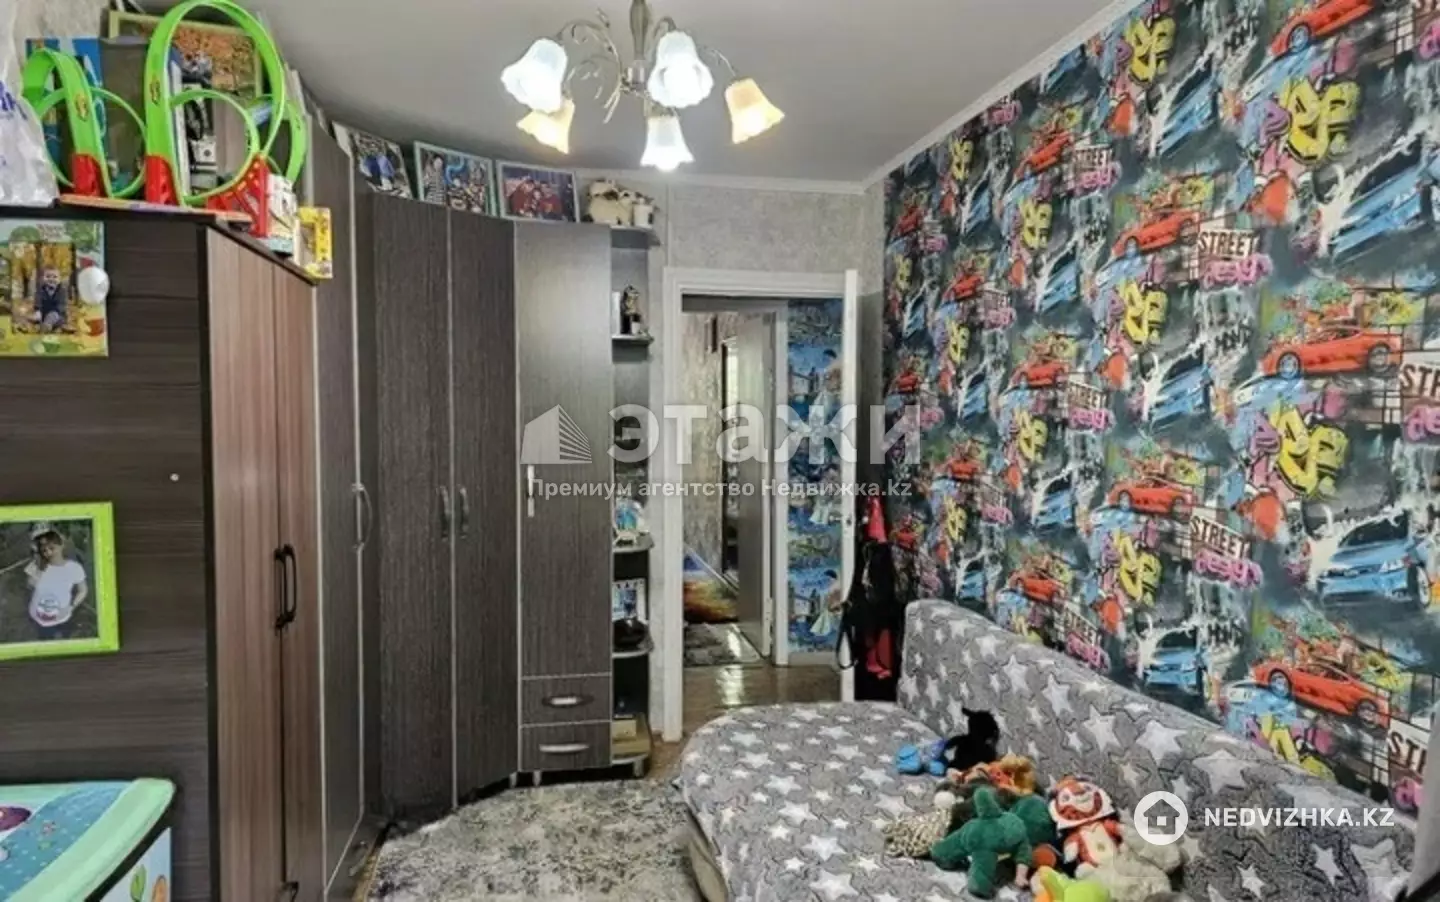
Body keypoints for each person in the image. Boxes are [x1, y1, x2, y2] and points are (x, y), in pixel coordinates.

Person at [24, 524, 88, 640]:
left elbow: (82, 590)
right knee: (45, 639)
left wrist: (71, 607)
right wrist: (39, 567)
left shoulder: (74, 568)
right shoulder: (36, 566)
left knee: (65, 638)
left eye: (52, 548)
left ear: (61, 545)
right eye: (44, 550)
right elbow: (30, 585)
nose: (48, 552)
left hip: (64, 616)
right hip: (40, 618)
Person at [31, 267, 69, 332]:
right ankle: (40, 324)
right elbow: (38, 301)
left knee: (53, 316)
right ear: (43, 278)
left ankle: (47, 326)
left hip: (58, 314)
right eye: (48, 276)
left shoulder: (62, 290)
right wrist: (38, 310)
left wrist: (55, 311)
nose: (51, 279)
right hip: (43, 314)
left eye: (55, 277)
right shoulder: (40, 290)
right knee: (37, 316)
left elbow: (62, 304)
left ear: (59, 279)